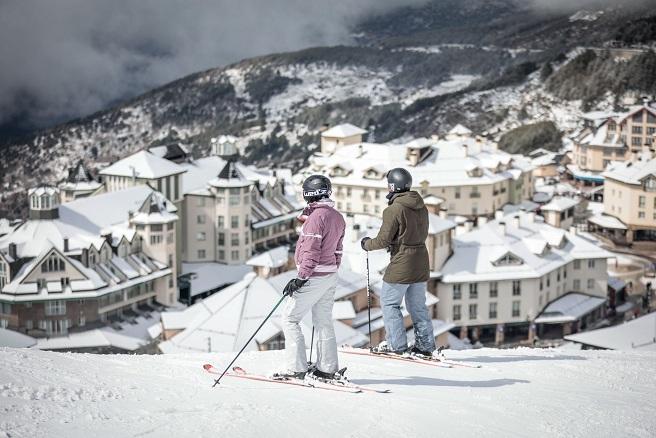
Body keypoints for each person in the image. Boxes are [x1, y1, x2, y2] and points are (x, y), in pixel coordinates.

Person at [361, 167, 436, 357]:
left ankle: (397, 346)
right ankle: (426, 345)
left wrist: (367, 244)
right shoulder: (421, 206)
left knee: (389, 303)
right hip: (421, 261)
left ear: (393, 186)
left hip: (402, 262)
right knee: (418, 306)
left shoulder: (394, 209)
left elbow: (383, 239)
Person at [277, 174, 346, 380]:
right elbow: (338, 250)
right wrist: (331, 269)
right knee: (323, 321)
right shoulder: (337, 216)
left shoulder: (316, 218)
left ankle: (296, 368)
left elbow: (311, 250)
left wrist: (301, 277)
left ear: (308, 194)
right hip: (329, 275)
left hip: (314, 275)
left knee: (289, 319)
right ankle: (327, 367)